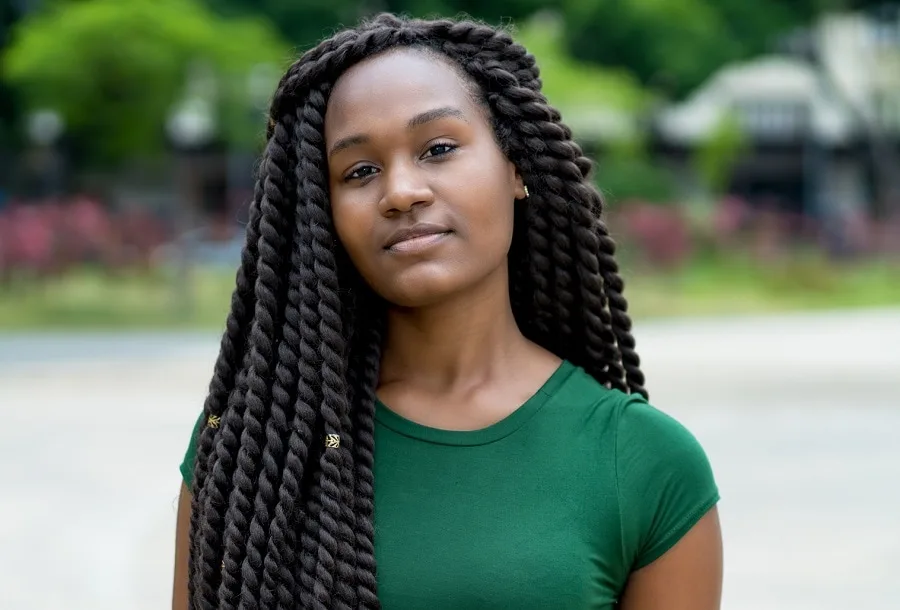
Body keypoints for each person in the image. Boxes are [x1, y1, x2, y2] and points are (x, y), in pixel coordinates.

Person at [172, 13, 722, 610]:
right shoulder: (253, 453)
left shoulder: (644, 462)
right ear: (319, 211)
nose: (402, 191)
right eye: (359, 171)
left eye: (438, 148)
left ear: (516, 166)